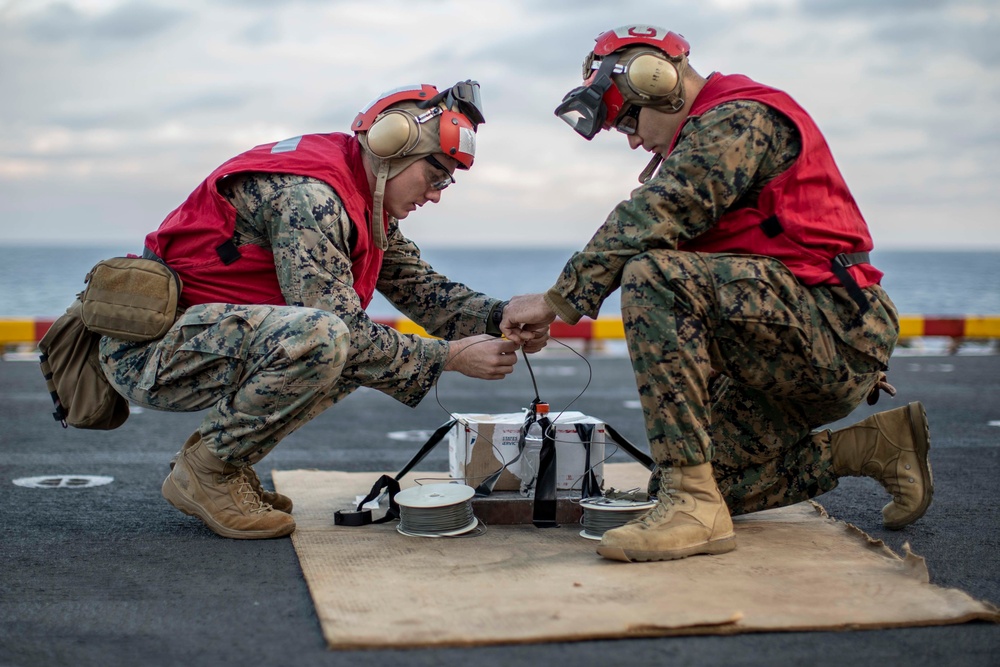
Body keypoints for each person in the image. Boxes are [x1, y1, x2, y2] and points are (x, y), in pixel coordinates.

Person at [501, 25, 932, 563]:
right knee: (696, 479)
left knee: (652, 274)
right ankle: (870, 448)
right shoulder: (710, 132)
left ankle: (692, 507)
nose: (633, 140)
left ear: (658, 82)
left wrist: (556, 301)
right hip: (786, 342)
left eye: (629, 121)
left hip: (835, 330)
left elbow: (660, 211)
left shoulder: (738, 116)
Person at [100, 81, 548, 540]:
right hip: (151, 351)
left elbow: (421, 289)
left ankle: (222, 462)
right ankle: (208, 470)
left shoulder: (361, 196)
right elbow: (346, 336)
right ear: (392, 146)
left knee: (347, 348)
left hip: (197, 339)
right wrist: (450, 356)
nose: (436, 195)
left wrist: (502, 314)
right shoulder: (311, 198)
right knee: (327, 340)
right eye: (436, 177)